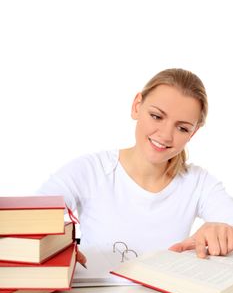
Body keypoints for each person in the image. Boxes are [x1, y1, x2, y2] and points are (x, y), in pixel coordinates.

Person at [37, 68, 233, 271]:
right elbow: (29, 218)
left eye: (182, 128)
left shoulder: (199, 183)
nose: (165, 135)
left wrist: (223, 231)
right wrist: (57, 247)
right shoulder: (91, 170)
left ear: (193, 133)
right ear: (137, 106)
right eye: (157, 116)